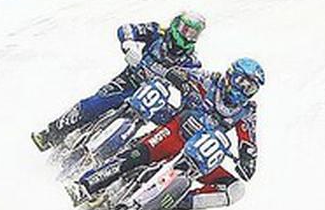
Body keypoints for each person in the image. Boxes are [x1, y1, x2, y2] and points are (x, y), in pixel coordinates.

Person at [67, 58, 263, 210]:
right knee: (137, 155)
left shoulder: (247, 111)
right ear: (230, 75)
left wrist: (248, 159)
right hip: (173, 133)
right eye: (241, 82)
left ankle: (170, 202)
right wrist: (175, 76)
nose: (243, 90)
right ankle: (86, 185)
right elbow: (169, 71)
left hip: (199, 157)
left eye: (250, 88)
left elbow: (248, 140)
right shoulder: (207, 79)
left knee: (235, 189)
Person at [31, 12, 207, 151]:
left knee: (171, 128)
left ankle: (126, 163)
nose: (188, 37)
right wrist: (129, 44)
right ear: (176, 25)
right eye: (185, 30)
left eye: (194, 34)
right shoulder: (158, 31)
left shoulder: (191, 61)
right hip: (128, 82)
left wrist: (187, 103)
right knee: (94, 104)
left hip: (152, 99)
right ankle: (50, 134)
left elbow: (191, 89)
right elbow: (126, 28)